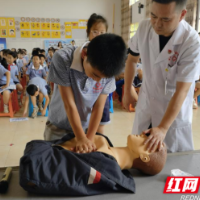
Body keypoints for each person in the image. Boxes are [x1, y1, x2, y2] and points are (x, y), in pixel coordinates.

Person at [123, 0, 200, 153]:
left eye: (166, 19)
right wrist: (127, 89)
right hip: (147, 102)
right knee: (139, 157)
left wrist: (163, 128)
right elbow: (132, 59)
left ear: (182, 15)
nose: (157, 24)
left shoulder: (191, 41)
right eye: (153, 16)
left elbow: (182, 91)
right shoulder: (144, 28)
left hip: (172, 113)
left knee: (173, 164)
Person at [44, 34, 126, 155]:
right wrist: (81, 138)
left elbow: (98, 108)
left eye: (103, 78)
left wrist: (89, 139)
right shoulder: (63, 58)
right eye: (95, 75)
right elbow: (69, 104)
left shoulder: (108, 71)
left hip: (86, 127)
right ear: (84, 55)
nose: (98, 81)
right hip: (58, 127)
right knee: (55, 163)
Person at [19, 133, 167, 196]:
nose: (143, 134)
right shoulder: (103, 141)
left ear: (145, 157)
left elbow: (33, 171)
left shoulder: (105, 169)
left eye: (148, 141)